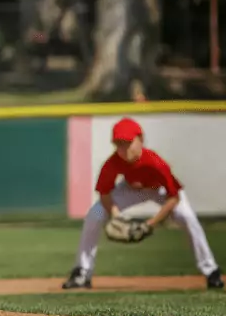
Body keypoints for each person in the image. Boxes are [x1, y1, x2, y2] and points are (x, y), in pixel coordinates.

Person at [62, 117, 223, 290]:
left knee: (186, 216)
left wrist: (150, 224)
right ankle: (82, 271)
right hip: (131, 189)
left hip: (160, 190)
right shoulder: (113, 162)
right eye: (118, 144)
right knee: (96, 214)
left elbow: (174, 197)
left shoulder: (155, 162)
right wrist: (117, 216)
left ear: (141, 140)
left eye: (127, 143)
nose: (123, 149)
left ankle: (211, 271)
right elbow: (104, 193)